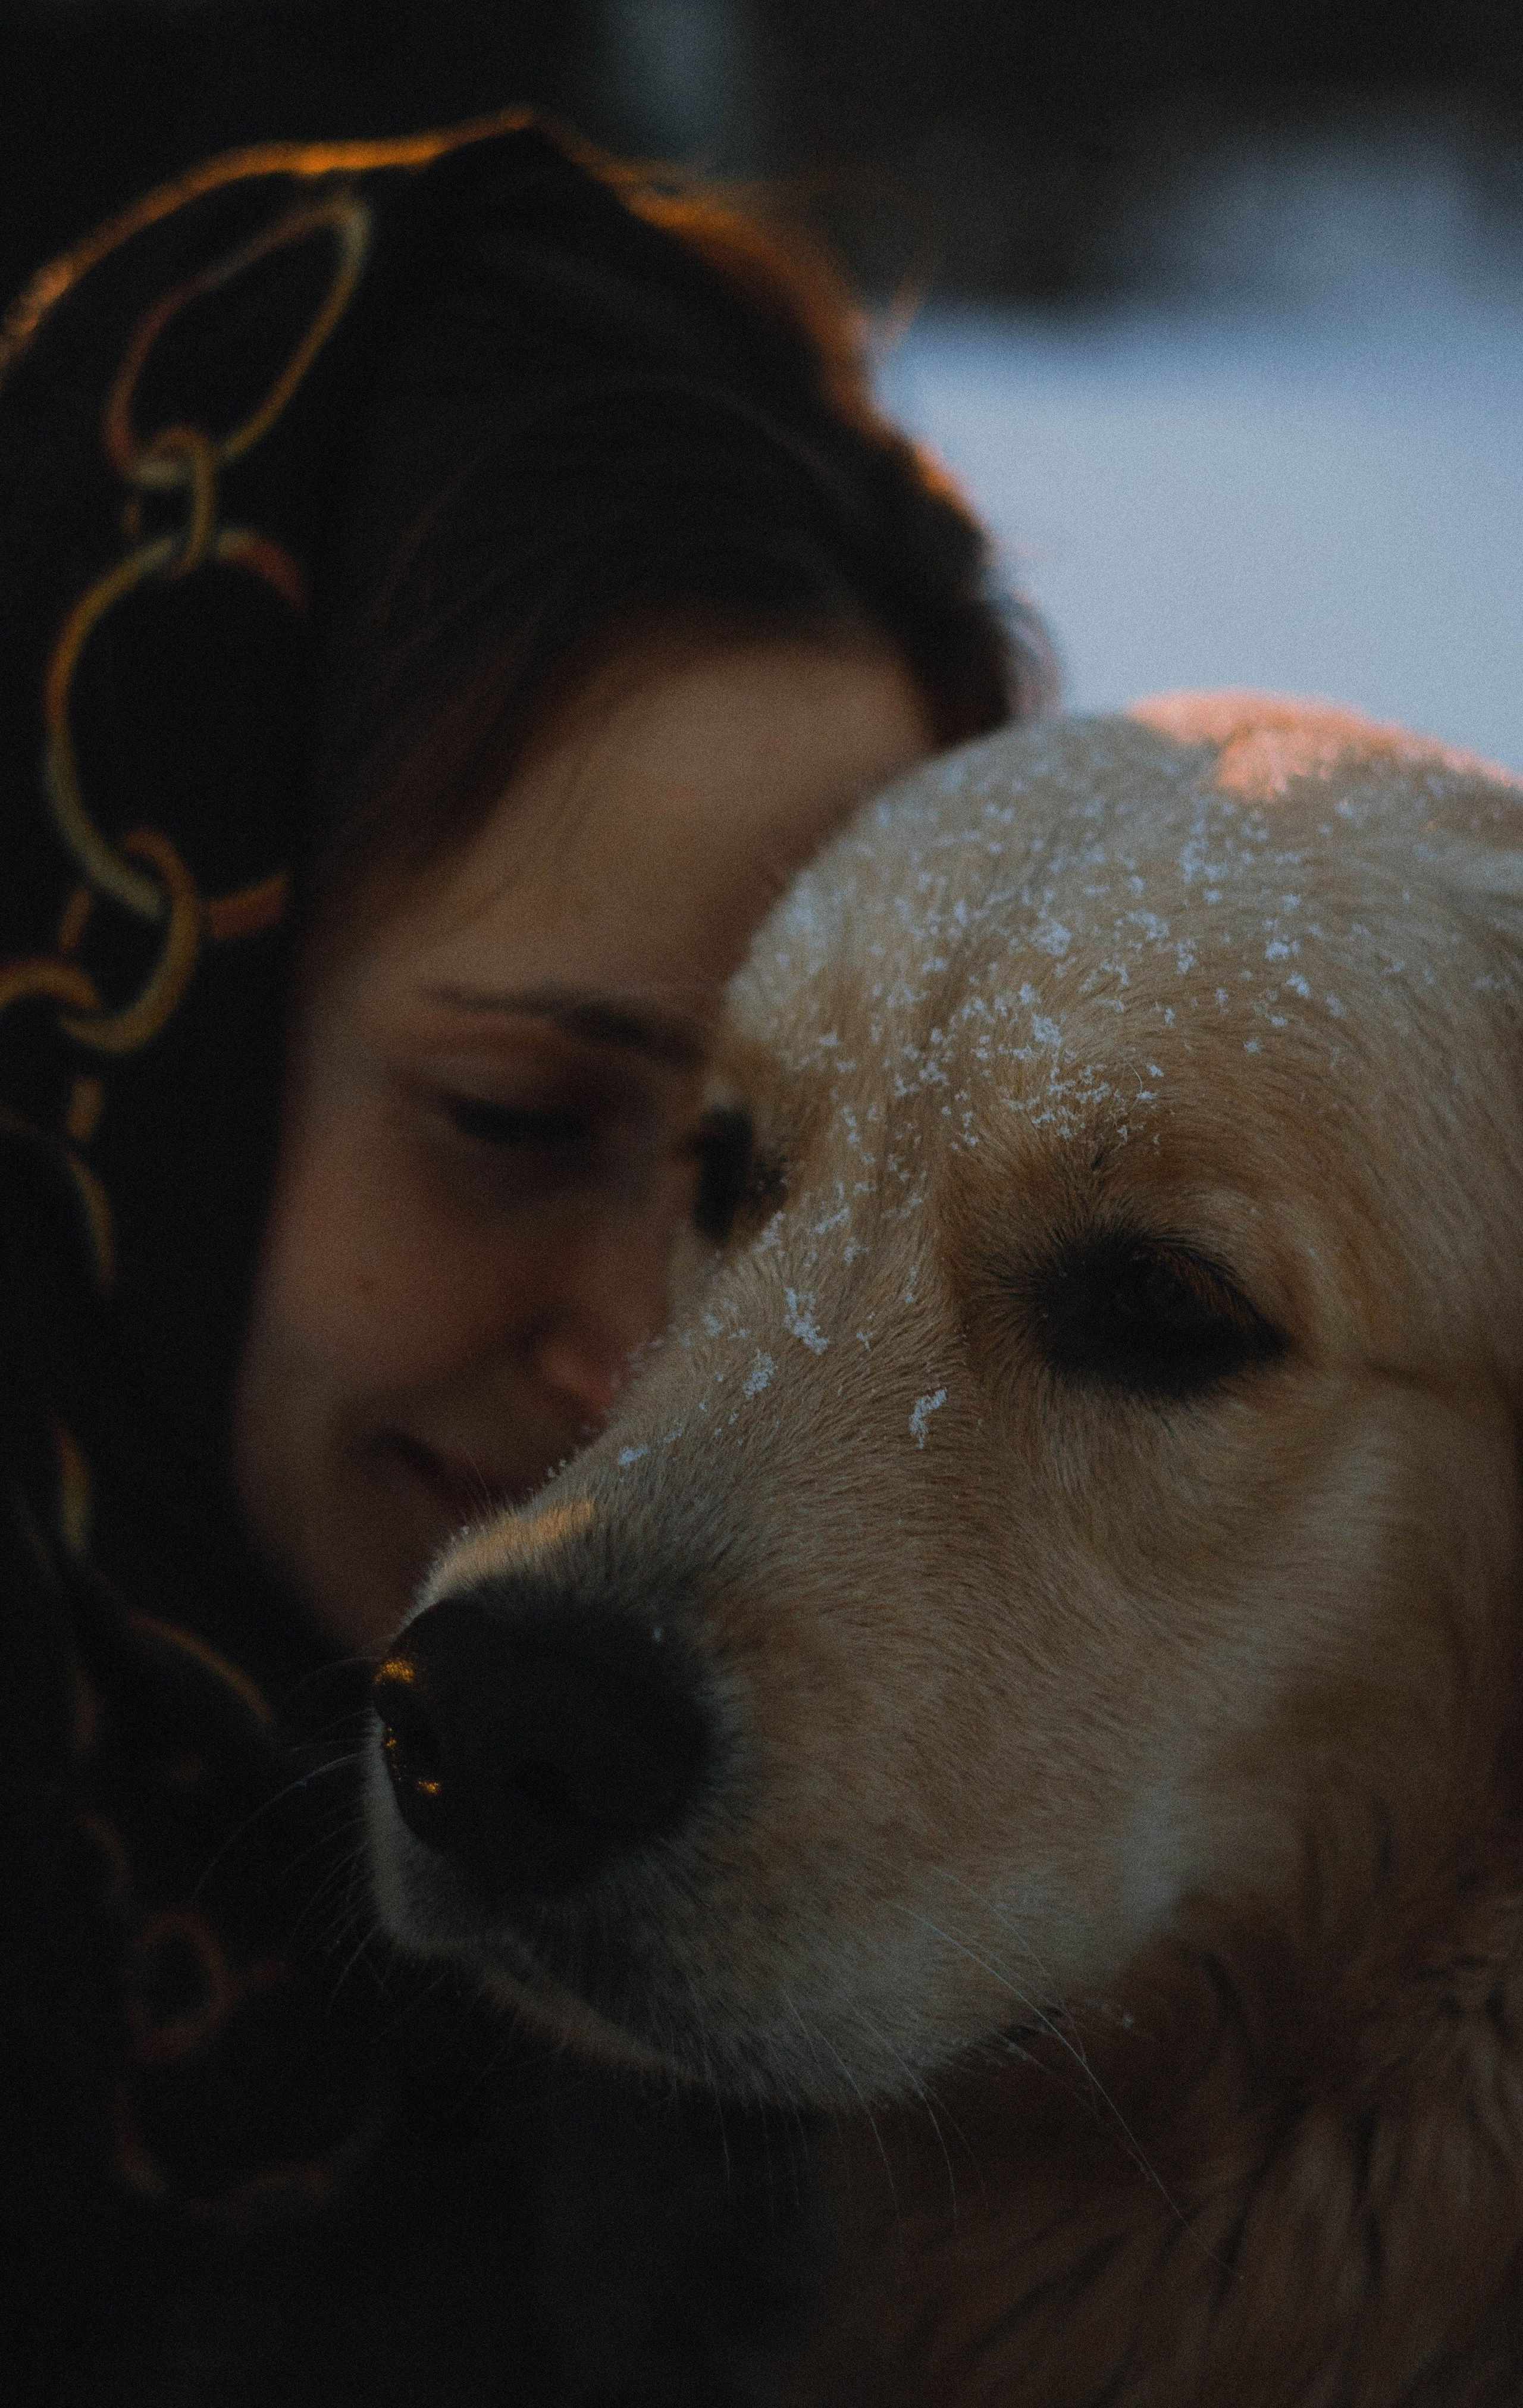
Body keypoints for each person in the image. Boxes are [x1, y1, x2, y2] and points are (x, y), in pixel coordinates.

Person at [0, 109, 1049, 2401]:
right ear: (90, 996)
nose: (651, 1371)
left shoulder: (850, 1936)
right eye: (508, 1121)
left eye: (769, 1186)